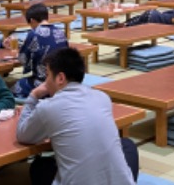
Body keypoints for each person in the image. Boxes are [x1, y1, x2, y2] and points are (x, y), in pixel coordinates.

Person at [16, 47, 138, 185]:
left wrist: (33, 96)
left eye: (48, 75)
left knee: (39, 167)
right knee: (127, 145)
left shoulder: (48, 107)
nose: (45, 82)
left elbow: (23, 135)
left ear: (60, 78)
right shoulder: (102, 97)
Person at [10, 3, 68, 98]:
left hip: (44, 81)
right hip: (63, 80)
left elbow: (23, 60)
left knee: (14, 88)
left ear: (32, 20)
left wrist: (17, 53)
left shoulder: (34, 34)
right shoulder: (60, 32)